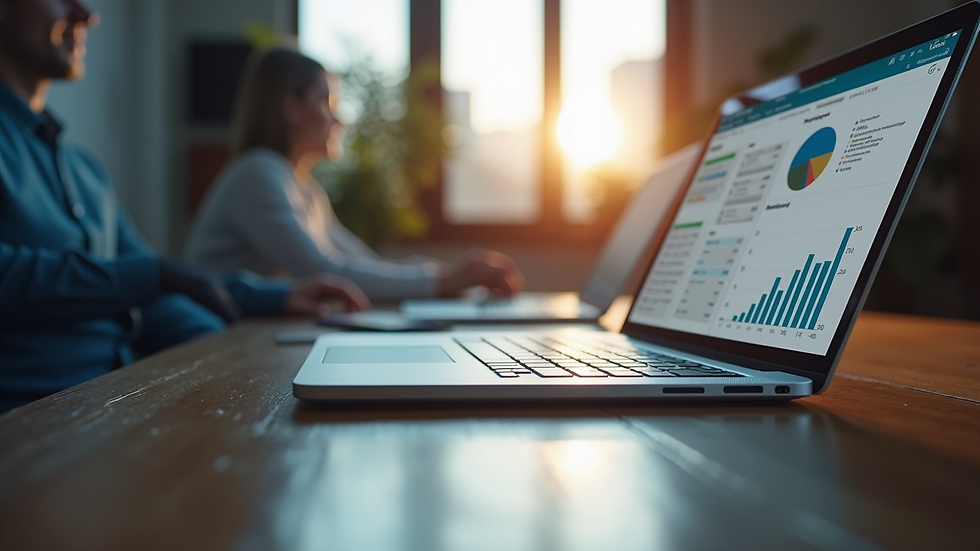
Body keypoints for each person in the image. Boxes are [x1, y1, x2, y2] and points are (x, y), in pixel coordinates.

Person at [0, 0, 369, 413]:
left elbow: (146, 283)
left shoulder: (83, 169)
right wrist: (157, 277)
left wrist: (265, 303)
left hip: (109, 405)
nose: (87, 13)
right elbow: (144, 276)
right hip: (29, 428)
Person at [184, 47, 525, 303]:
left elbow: (362, 262)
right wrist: (446, 280)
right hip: (211, 343)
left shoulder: (302, 187)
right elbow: (326, 272)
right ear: (292, 107)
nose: (339, 120)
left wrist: (449, 274)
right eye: (326, 101)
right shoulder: (257, 173)